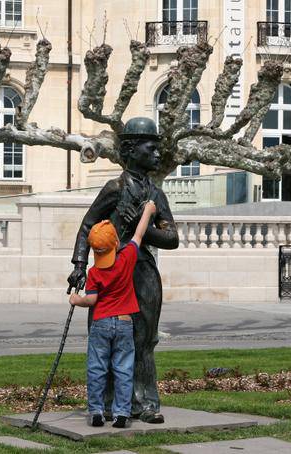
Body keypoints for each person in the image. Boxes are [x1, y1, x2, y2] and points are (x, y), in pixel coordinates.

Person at [67, 117, 179, 424]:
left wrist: (140, 225)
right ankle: (106, 403)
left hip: (142, 273)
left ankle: (145, 403)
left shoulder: (156, 195)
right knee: (105, 342)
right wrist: (79, 265)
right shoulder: (113, 188)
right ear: (130, 150)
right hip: (111, 272)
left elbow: (172, 238)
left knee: (145, 340)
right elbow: (87, 225)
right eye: (151, 147)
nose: (158, 154)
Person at [69, 201, 157, 428]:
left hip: (101, 324)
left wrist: (76, 300)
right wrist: (148, 211)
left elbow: (92, 300)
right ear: (116, 242)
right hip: (125, 323)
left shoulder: (95, 272)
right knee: (123, 369)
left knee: (97, 368)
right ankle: (121, 414)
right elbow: (138, 234)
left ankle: (97, 411)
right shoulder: (126, 259)